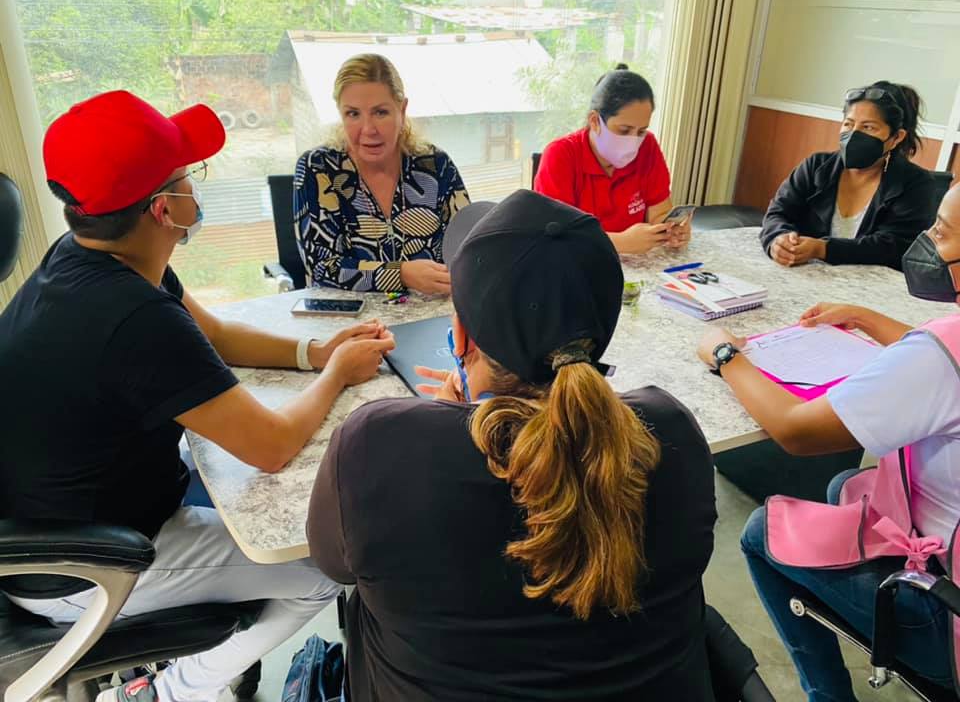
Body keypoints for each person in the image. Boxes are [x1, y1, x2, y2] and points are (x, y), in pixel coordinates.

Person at [0, 90, 395, 702]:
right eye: (189, 175)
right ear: (163, 209)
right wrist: (338, 375)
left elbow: (212, 334)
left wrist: (314, 353)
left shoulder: (90, 256)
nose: (195, 186)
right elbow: (270, 446)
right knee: (320, 568)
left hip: (81, 509)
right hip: (85, 566)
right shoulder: (132, 315)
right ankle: (171, 692)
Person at [307, 190, 719, 700]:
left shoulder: (376, 445)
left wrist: (450, 420)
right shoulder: (670, 431)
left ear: (460, 337)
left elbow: (334, 564)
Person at [697, 183, 960, 701]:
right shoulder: (941, 349)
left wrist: (726, 356)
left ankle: (827, 695)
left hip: (945, 617)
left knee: (761, 531)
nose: (928, 238)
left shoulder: (943, 352)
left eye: (943, 231)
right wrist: (864, 317)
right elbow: (937, 358)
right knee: (847, 483)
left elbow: (796, 430)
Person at [294, 53, 470, 294]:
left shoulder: (435, 165)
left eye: (380, 112)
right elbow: (322, 268)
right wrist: (401, 274)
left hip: (431, 311)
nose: (368, 129)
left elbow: (469, 248)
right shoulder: (318, 168)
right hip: (346, 316)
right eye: (353, 114)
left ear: (402, 110)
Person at [760, 81, 936, 270]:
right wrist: (778, 240)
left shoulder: (916, 184)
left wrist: (823, 249)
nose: (854, 135)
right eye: (848, 124)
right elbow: (778, 213)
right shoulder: (816, 167)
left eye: (868, 127)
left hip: (868, 285)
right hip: (804, 275)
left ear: (896, 137)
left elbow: (894, 246)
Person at [534, 63, 690, 254]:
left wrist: (671, 230)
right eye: (624, 130)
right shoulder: (560, 155)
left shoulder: (648, 146)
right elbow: (555, 236)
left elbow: (660, 213)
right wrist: (621, 243)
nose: (633, 140)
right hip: (580, 263)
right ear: (595, 121)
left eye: (641, 131)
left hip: (640, 264)